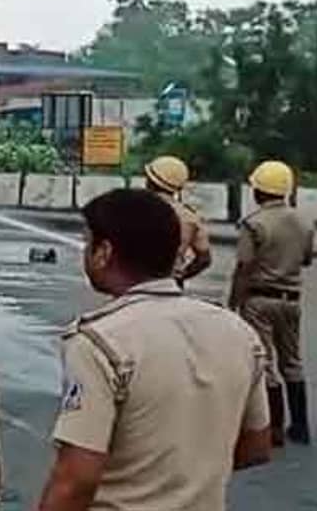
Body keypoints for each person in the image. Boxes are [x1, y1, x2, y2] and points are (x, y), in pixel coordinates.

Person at [38, 189, 272, 511]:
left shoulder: (99, 342)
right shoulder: (238, 333)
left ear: (104, 251)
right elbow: (257, 446)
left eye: (87, 242)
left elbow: (76, 479)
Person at [230, 160, 313, 446]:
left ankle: (274, 428)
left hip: (259, 299)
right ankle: (301, 427)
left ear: (258, 191)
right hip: (291, 300)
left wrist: (234, 302)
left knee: (265, 363)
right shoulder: (304, 221)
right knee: (293, 361)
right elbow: (306, 258)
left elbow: (244, 267)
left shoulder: (254, 223)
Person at [143, 155, 212, 283]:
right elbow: (204, 259)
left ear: (150, 181)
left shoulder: (134, 207)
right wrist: (180, 276)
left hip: (134, 283)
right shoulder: (190, 216)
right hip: (170, 283)